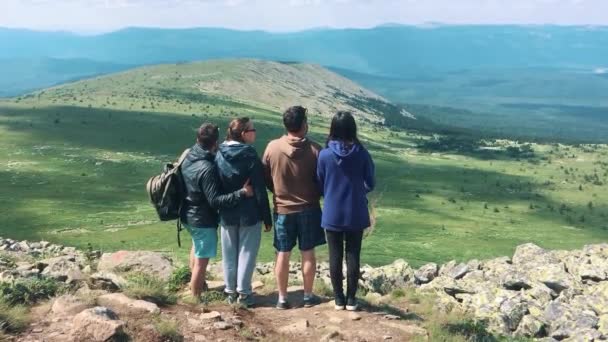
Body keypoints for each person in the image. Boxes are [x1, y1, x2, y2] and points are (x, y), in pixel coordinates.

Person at [262, 105, 326, 309]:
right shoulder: (316, 150)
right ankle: (308, 296)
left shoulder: (272, 147)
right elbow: (323, 181)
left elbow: (266, 177)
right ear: (304, 125)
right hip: (310, 208)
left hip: (283, 209)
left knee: (283, 253)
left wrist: (278, 191)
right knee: (308, 252)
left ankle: (282, 298)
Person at [180, 123, 254, 299]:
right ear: (215, 143)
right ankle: (196, 297)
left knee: (197, 248)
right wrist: (242, 193)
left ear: (198, 139)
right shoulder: (208, 168)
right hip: (202, 218)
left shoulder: (189, 155)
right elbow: (215, 201)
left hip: (187, 213)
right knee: (202, 261)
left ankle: (198, 287)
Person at [317, 111, 375, 311]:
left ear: (333, 129)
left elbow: (320, 184)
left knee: (335, 255)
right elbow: (371, 182)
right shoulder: (362, 153)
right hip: (356, 210)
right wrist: (360, 191)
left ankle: (338, 299)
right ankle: (352, 299)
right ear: (352, 129)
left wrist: (332, 192)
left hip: (332, 211)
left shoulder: (324, 155)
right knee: (353, 254)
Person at [216, 117, 272, 307]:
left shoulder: (219, 153)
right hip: (249, 212)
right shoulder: (249, 154)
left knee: (229, 254)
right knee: (247, 253)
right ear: (243, 134)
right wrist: (267, 217)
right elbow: (259, 187)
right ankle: (245, 294)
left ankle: (230, 292)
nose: (255, 132)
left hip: (226, 211)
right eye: (252, 130)